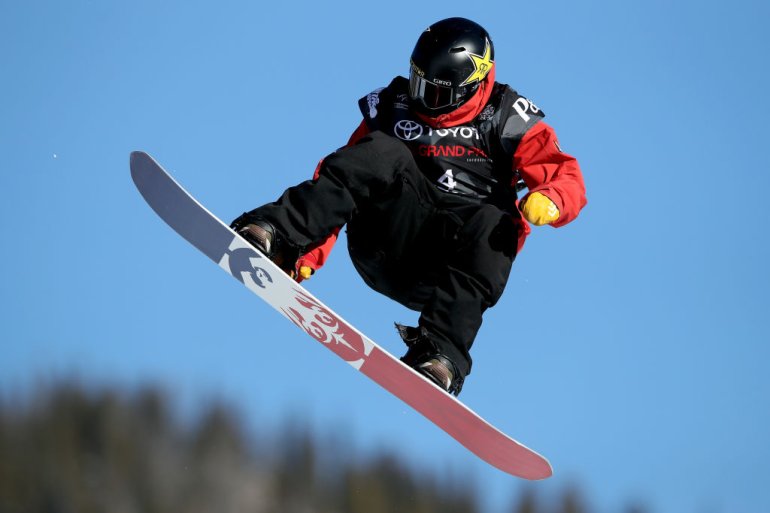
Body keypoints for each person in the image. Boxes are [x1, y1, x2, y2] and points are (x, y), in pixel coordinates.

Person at [231, 17, 586, 396]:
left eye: (435, 94)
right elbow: (341, 174)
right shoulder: (393, 106)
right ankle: (279, 236)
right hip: (383, 239)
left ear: (471, 86)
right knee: (383, 151)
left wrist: (551, 199)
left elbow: (565, 174)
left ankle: (440, 354)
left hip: (446, 268)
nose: (421, 100)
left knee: (497, 220)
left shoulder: (508, 117)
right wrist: (309, 254)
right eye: (418, 84)